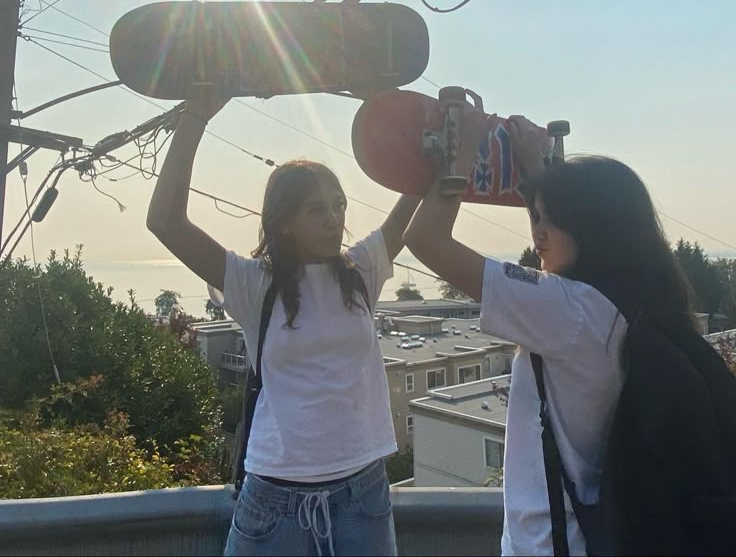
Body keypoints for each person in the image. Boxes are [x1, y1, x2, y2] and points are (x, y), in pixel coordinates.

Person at [403, 110, 696, 556]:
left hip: (546, 543)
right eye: (536, 216)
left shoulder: (570, 312)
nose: (537, 232)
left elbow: (424, 238)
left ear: (592, 227)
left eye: (550, 219)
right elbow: (555, 254)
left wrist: (457, 156)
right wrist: (537, 178)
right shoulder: (627, 302)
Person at [147, 93, 419, 557]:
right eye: (318, 210)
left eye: (339, 205)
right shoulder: (256, 284)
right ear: (286, 222)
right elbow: (166, 222)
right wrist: (195, 114)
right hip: (275, 501)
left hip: (363, 493)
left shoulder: (361, 272)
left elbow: (413, 196)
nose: (336, 220)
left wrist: (440, 150)